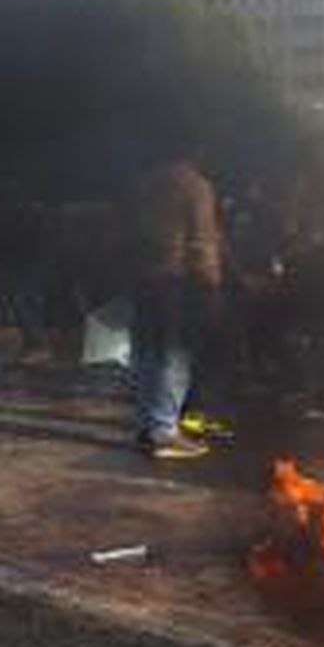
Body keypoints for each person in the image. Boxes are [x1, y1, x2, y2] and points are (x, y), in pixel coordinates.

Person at [131, 147, 224, 459]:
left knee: (147, 351)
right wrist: (211, 280)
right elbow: (202, 239)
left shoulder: (144, 183)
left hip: (144, 275)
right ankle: (165, 432)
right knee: (176, 354)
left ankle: (148, 425)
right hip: (178, 279)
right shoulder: (195, 185)